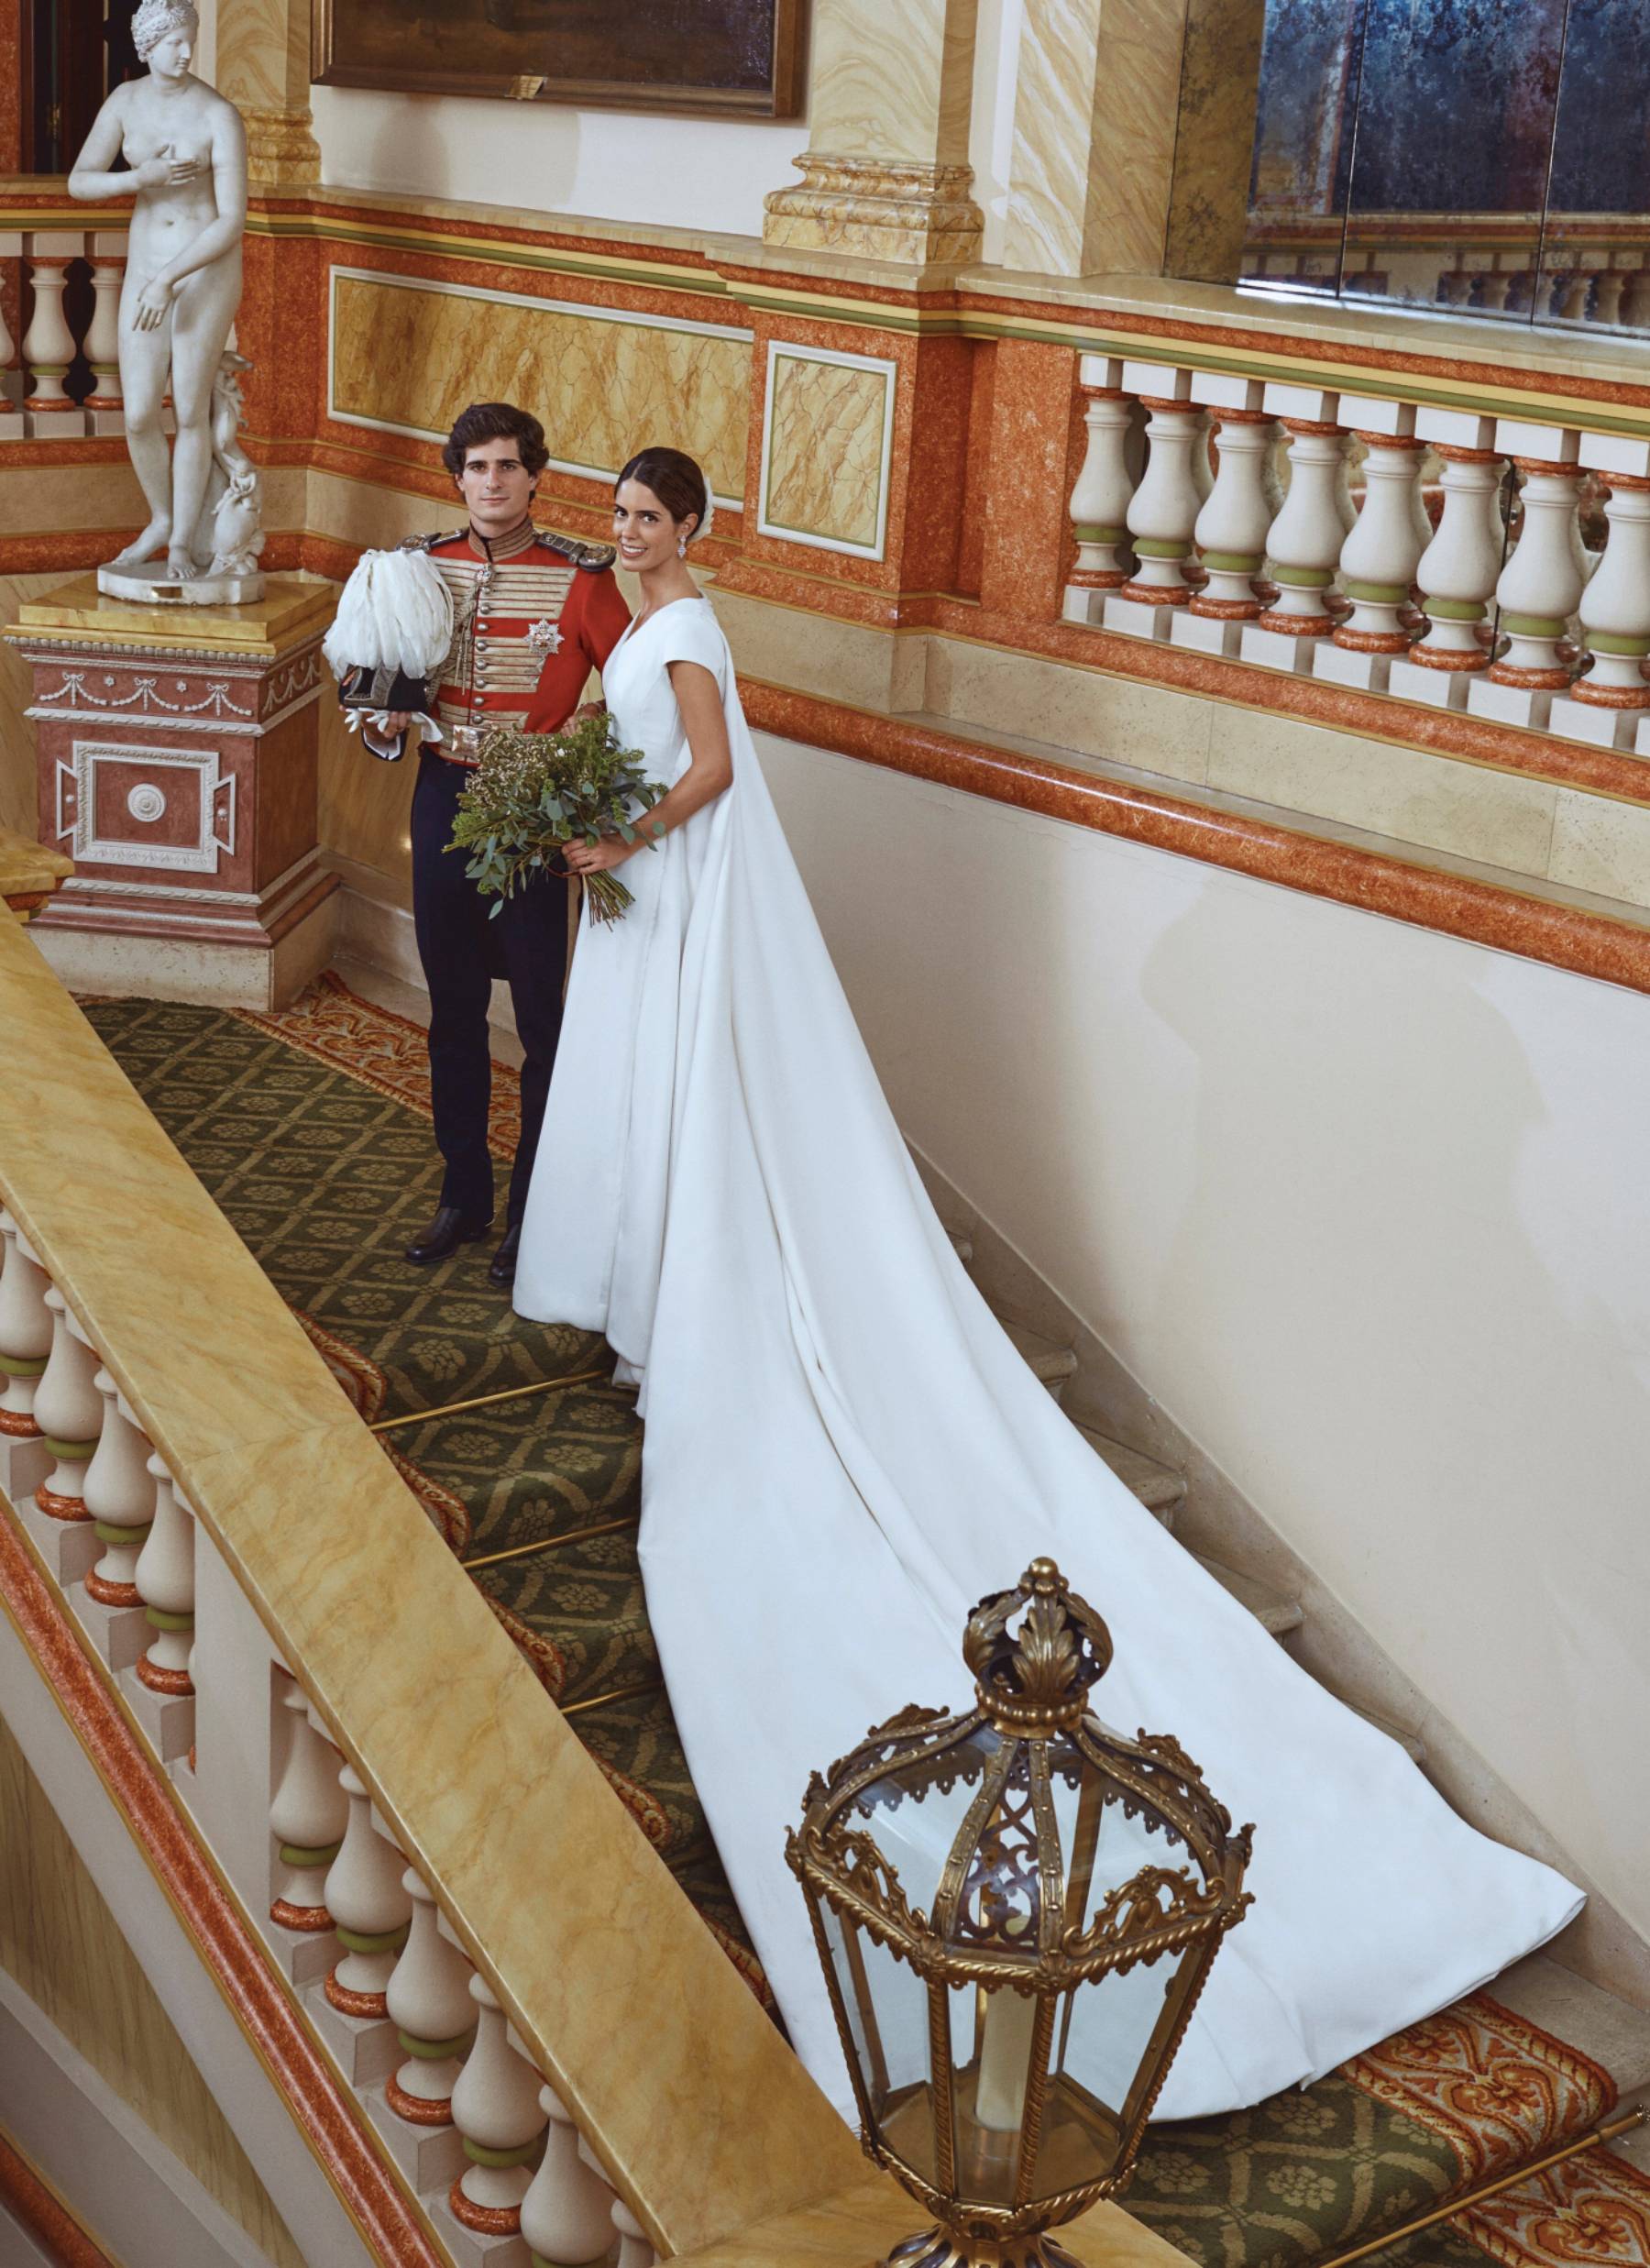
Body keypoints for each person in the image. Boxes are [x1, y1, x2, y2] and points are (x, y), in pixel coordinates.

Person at [512, 447, 1579, 2125]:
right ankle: (660, 1301)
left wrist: (616, 835)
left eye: (657, 520)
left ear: (698, 530)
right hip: (646, 896)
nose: (637, 537)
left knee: (701, 1123)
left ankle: (707, 1312)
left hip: (676, 886)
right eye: (627, 520)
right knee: (649, 1106)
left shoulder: (691, 629)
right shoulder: (629, 620)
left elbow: (714, 771)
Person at [362, 402, 629, 1283]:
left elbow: (635, 702)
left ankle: (532, 1216)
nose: (493, 482)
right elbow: (377, 706)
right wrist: (386, 723)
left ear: (534, 475)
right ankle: (463, 1198)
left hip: (535, 817)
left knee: (544, 1025)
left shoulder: (583, 578)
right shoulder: (415, 569)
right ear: (457, 477)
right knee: (452, 1010)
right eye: (477, 468)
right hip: (441, 795)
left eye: (509, 466)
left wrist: (583, 773)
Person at [68, 0, 246, 581]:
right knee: (141, 413)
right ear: (146, 45)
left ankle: (181, 546)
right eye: (173, 41)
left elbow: (231, 221)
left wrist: (169, 281)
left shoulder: (219, 115)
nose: (187, 52)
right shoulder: (125, 103)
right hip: (146, 266)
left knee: (190, 410)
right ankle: (164, 519)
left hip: (201, 272)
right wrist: (137, 178)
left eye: (191, 40)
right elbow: (80, 181)